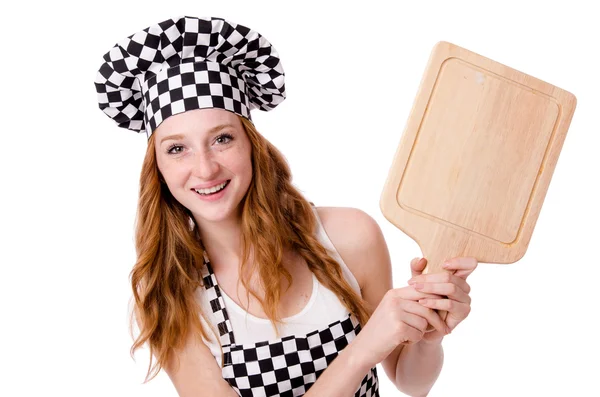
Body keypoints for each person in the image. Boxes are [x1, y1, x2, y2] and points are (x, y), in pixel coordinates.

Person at [95, 15, 478, 397]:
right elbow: (368, 351)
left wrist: (428, 333)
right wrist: (361, 352)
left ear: (252, 145)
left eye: (222, 139)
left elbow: (412, 382)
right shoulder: (171, 288)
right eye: (177, 149)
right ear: (157, 167)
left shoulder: (349, 237)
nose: (205, 168)